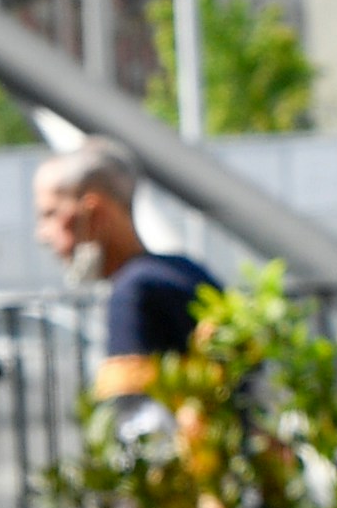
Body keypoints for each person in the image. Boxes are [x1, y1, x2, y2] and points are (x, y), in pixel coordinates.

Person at [33, 139, 222, 399]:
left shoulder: (133, 292)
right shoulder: (183, 270)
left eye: (50, 214)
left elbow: (136, 425)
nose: (42, 235)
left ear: (95, 212)